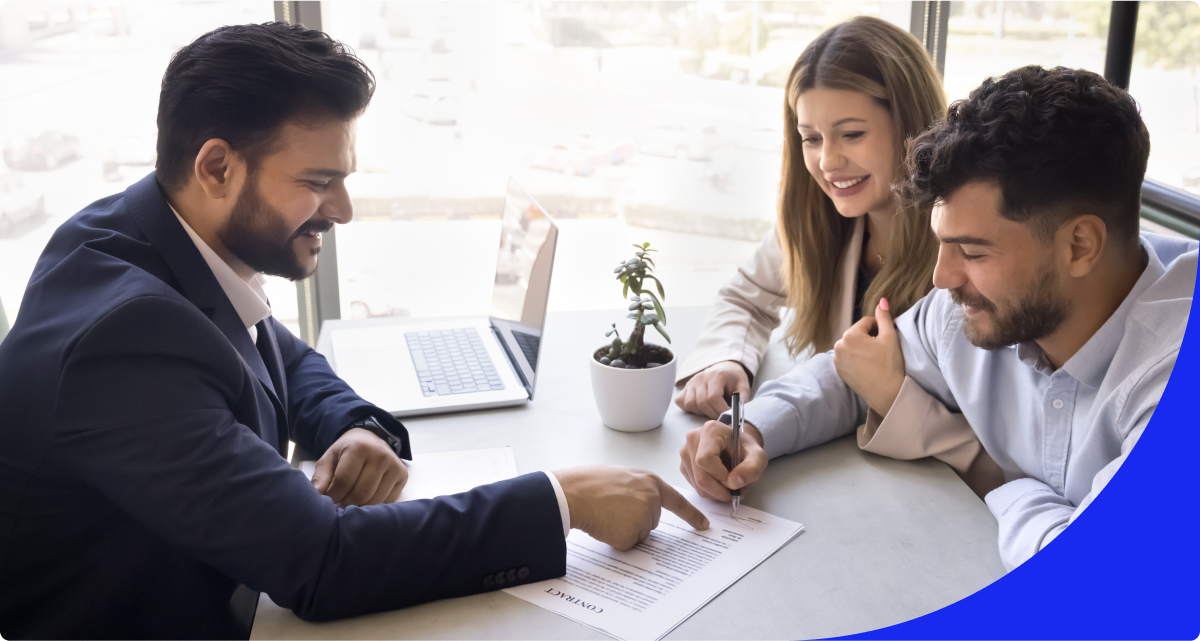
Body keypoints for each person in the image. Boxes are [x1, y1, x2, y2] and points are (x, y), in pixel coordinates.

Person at [0, 23, 707, 640]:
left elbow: (272, 350)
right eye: (317, 181)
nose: (342, 209)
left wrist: (354, 426)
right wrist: (565, 498)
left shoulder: (144, 234)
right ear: (216, 166)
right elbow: (323, 563)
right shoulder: (121, 340)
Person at [679, 65, 1198, 571]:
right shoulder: (973, 310)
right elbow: (853, 375)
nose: (940, 279)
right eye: (943, 245)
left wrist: (1008, 487)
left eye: (971, 252)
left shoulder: (1169, 375)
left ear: (1080, 246)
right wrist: (749, 430)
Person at [675, 16, 1001, 494]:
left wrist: (891, 396)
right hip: (844, 479)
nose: (827, 161)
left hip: (937, 498)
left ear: (910, 126)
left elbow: (998, 450)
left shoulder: (967, 252)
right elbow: (748, 297)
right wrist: (727, 361)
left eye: (850, 134)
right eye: (811, 138)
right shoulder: (819, 222)